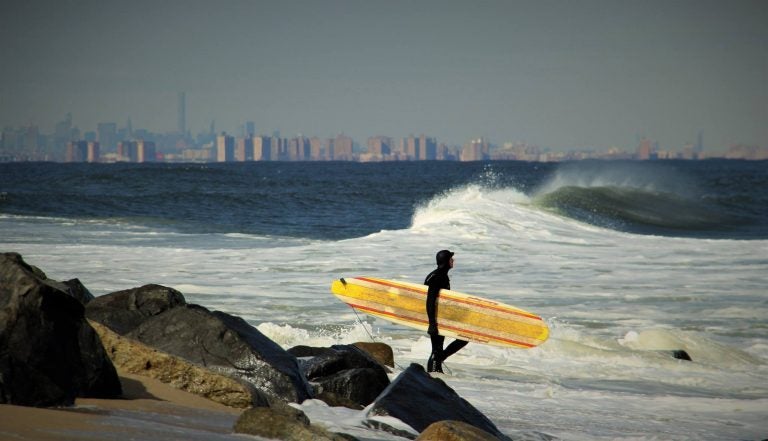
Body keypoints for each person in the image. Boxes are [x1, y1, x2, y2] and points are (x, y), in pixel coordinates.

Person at [424, 249, 468, 373]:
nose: (453, 260)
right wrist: (432, 323)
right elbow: (430, 300)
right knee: (437, 349)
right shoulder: (437, 277)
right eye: (451, 258)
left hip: (440, 317)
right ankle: (433, 372)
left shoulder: (441, 275)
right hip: (435, 318)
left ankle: (437, 365)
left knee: (461, 339)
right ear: (446, 261)